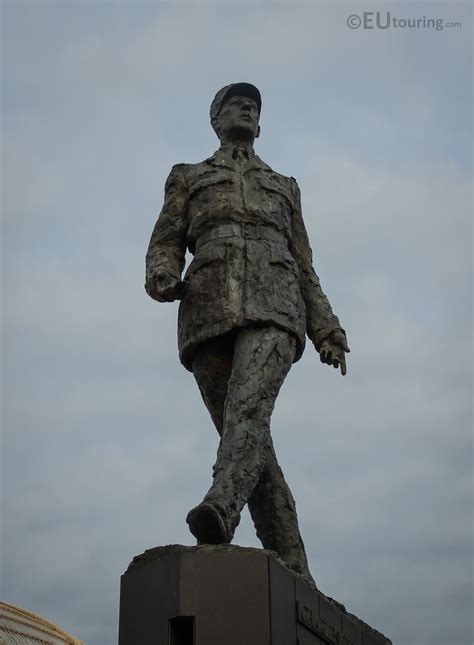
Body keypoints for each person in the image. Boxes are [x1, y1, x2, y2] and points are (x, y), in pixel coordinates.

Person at [145, 82, 349, 585]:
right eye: (237, 103)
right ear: (216, 119)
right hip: (207, 311)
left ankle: (220, 506)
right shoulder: (188, 177)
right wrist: (162, 275)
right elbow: (165, 241)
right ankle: (296, 569)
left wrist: (325, 326)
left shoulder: (285, 185)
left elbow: (304, 264)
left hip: (276, 308)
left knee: (248, 411)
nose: (248, 109)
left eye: (254, 105)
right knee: (250, 438)